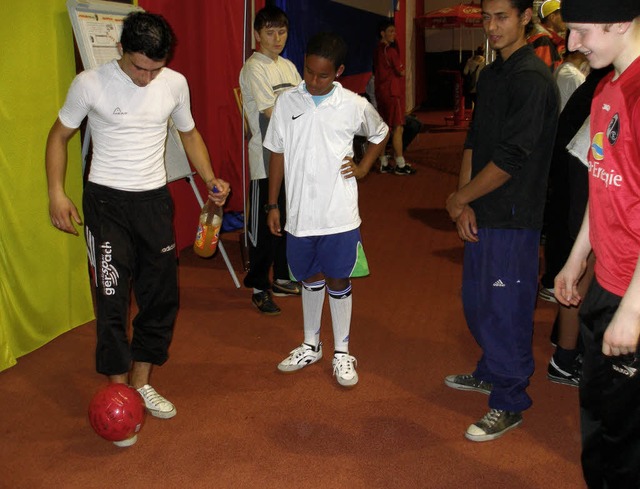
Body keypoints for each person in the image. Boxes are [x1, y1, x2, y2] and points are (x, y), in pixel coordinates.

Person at [45, 12, 230, 446]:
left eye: (155, 68)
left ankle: (141, 382)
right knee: (112, 300)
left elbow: (189, 134)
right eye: (138, 67)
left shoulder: (174, 83)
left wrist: (209, 179)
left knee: (160, 297)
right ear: (121, 51)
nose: (146, 78)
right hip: (106, 203)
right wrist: (56, 192)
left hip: (153, 202)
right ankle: (118, 391)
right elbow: (58, 136)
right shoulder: (90, 84)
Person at [444, 0, 558, 441]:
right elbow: (475, 141)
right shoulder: (492, 74)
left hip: (514, 216)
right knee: (478, 303)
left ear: (526, 17)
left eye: (502, 18)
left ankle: (510, 400)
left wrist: (461, 197)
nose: (491, 27)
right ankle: (492, 369)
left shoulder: (532, 80)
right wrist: (462, 202)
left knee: (506, 311)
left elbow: (512, 158)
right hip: (482, 209)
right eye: (486, 18)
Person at [264, 32, 389, 387]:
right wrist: (273, 203)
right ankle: (311, 343)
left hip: (339, 214)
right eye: (309, 72)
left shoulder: (353, 104)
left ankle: (342, 351)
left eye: (323, 75)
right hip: (301, 215)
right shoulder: (288, 102)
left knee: (338, 277)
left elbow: (379, 133)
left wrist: (364, 167)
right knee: (308, 277)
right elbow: (277, 152)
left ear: (339, 71)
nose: (314, 81)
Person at [554, 0, 640, 486]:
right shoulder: (607, 89)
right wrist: (575, 258)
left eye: (583, 32)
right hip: (607, 284)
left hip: (633, 294)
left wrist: (632, 310)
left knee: (627, 438)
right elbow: (605, 182)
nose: (572, 45)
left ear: (622, 24)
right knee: (600, 417)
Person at [544, 67, 613, 388]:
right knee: (585, 272)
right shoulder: (618, 80)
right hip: (586, 170)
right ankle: (566, 357)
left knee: (588, 271)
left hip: (586, 166)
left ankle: (571, 349)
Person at [239, 6, 302, 316]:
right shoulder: (254, 68)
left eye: (282, 32)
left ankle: (280, 277)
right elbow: (271, 114)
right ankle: (258, 286)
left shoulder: (289, 67)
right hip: (264, 162)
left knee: (286, 222)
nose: (277, 38)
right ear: (257, 35)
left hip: (290, 159)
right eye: (269, 32)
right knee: (264, 228)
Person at [373, 19, 415, 175]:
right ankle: (400, 164)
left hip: (381, 92)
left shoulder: (377, 50)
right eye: (391, 31)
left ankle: (383, 162)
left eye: (395, 31)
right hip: (392, 93)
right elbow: (401, 71)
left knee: (384, 128)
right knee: (398, 127)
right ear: (382, 33)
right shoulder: (390, 51)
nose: (394, 34)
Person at [527, 0, 563, 72]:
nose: (566, 19)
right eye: (563, 15)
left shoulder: (550, 40)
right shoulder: (543, 40)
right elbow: (543, 73)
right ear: (552, 17)